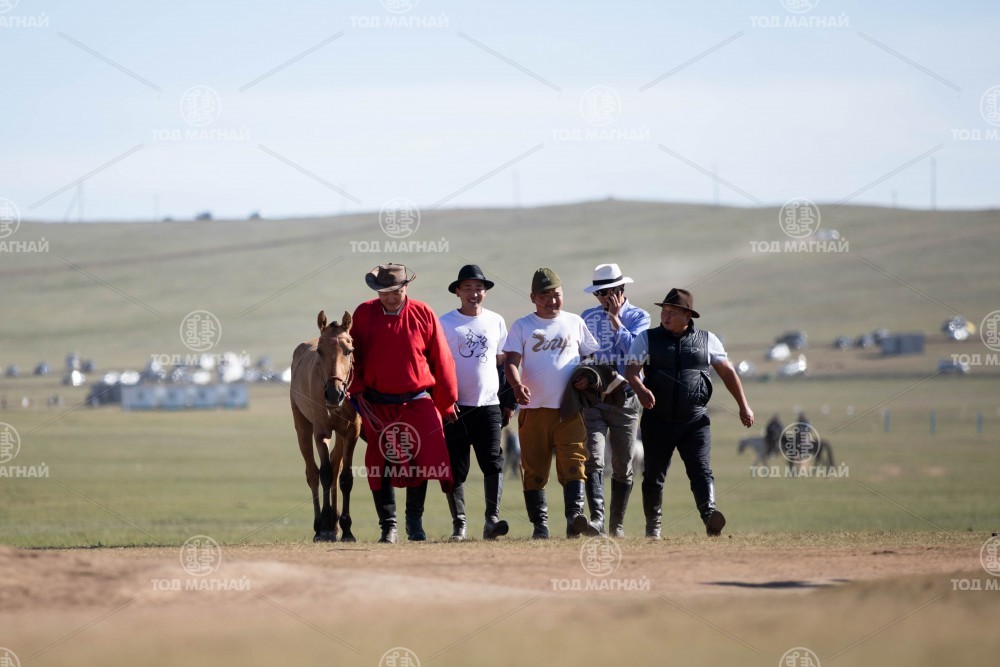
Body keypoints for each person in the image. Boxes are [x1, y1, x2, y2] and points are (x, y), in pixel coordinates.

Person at [625, 288, 754, 539]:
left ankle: (710, 517)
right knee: (653, 476)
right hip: (657, 420)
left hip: (694, 422)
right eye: (663, 311)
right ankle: (653, 528)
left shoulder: (708, 340)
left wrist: (743, 405)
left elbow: (728, 373)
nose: (665, 316)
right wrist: (640, 389)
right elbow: (631, 371)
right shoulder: (646, 338)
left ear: (687, 315)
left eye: (672, 312)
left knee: (701, 471)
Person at [349, 263, 458, 543]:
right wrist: (356, 393)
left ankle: (414, 524)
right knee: (379, 463)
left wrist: (446, 402)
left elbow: (441, 357)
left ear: (406, 287)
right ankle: (389, 526)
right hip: (377, 403)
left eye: (395, 291)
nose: (389, 297)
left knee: (421, 461)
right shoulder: (363, 313)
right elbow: (353, 357)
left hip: (416, 400)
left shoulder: (423, 312)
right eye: (384, 292)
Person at [503, 268, 601, 539]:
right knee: (534, 469)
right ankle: (540, 526)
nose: (552, 301)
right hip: (533, 410)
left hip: (569, 409)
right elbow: (511, 362)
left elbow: (591, 357)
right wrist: (516, 385)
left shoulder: (574, 322)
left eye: (556, 294)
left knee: (574, 463)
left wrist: (586, 377)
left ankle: (574, 520)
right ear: (533, 297)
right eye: (545, 296)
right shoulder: (522, 326)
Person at [439, 264, 517, 541]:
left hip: (489, 405)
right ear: (458, 292)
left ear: (485, 292)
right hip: (455, 407)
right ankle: (459, 524)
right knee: (455, 465)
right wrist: (443, 402)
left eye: (479, 288)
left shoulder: (496, 321)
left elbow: (503, 363)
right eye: (468, 288)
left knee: (493, 462)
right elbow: (437, 365)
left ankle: (491, 521)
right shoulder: (445, 323)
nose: (474, 293)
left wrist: (508, 401)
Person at [579, 263, 650, 537]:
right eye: (598, 293)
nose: (602, 298)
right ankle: (597, 519)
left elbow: (635, 352)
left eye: (606, 292)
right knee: (593, 458)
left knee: (622, 463)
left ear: (620, 290)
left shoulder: (639, 316)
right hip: (594, 398)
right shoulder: (586, 317)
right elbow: (582, 354)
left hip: (626, 398)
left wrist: (615, 320)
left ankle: (616, 525)